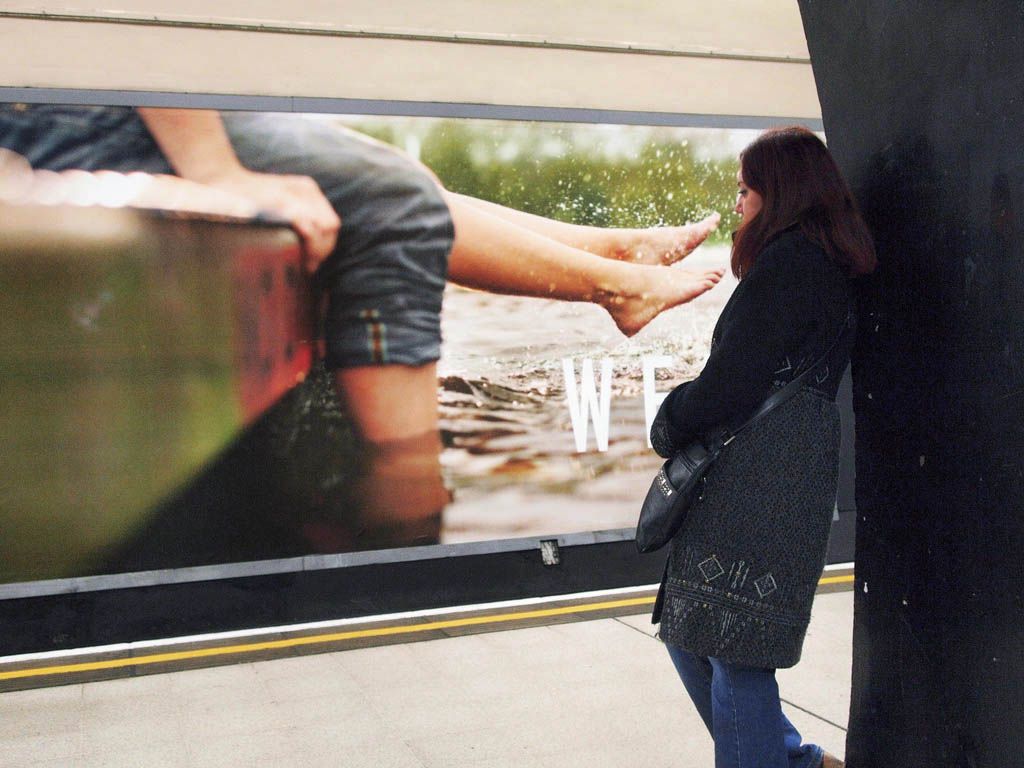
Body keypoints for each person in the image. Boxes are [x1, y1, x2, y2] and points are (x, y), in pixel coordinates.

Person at [649, 126, 876, 768]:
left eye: (747, 190)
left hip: (759, 479)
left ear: (778, 193)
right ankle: (790, 760)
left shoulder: (788, 265)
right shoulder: (825, 261)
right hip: (789, 469)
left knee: (733, 646)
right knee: (701, 634)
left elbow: (731, 382)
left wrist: (668, 423)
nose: (740, 202)